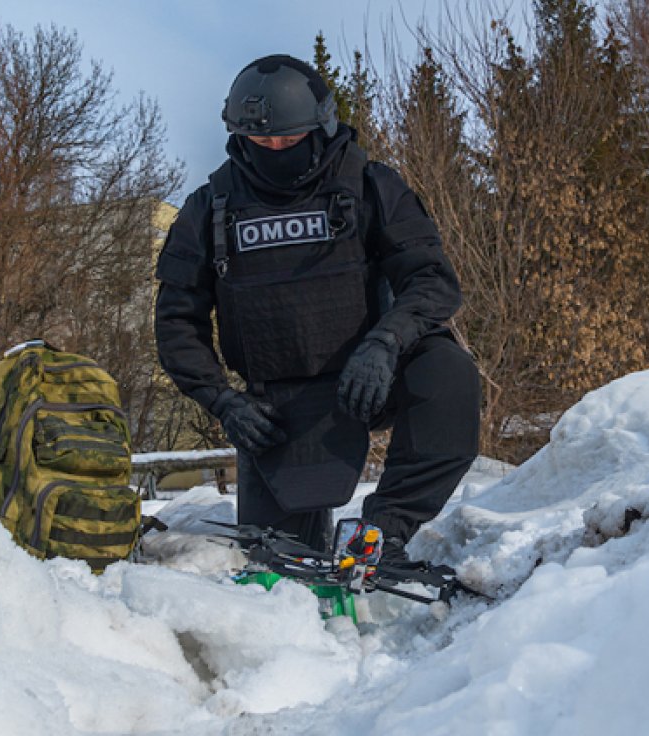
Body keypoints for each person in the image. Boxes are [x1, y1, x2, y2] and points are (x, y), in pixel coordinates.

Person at [154, 54, 480, 559]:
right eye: (261, 142)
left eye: (288, 140)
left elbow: (431, 280)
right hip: (277, 409)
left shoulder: (370, 185)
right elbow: (177, 323)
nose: (275, 150)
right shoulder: (209, 210)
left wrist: (386, 342)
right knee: (283, 570)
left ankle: (383, 531)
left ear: (321, 126)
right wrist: (224, 402)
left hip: (371, 377)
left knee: (446, 372)